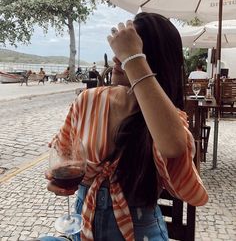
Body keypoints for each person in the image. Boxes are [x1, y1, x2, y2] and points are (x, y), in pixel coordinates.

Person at [37, 13, 208, 241]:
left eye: (131, 49)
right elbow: (63, 153)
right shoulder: (88, 100)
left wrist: (132, 58)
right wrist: (57, 178)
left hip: (141, 231)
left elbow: (174, 147)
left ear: (152, 60)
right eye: (120, 49)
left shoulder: (166, 119)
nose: (118, 58)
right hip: (83, 226)